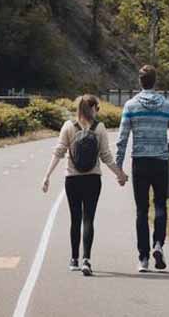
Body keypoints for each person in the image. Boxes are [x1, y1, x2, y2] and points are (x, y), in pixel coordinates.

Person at [42, 94, 128, 276]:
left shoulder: (68, 126)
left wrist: (47, 175)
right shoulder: (99, 128)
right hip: (92, 179)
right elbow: (106, 156)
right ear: (93, 108)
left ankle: (74, 259)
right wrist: (119, 174)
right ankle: (86, 259)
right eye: (97, 108)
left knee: (75, 218)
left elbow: (58, 152)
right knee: (88, 219)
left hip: (72, 179)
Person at [116, 65, 169, 273]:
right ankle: (158, 245)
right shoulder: (167, 106)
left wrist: (119, 167)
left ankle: (144, 257)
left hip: (140, 162)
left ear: (140, 81)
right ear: (155, 81)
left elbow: (122, 139)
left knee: (141, 210)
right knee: (160, 206)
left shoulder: (131, 105)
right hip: (160, 162)